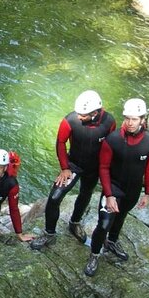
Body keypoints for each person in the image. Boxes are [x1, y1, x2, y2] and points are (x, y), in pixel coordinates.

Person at [31, 90, 116, 250]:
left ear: (95, 113)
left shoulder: (109, 122)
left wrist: (108, 168)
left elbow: (111, 145)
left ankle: (74, 223)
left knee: (86, 194)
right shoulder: (70, 121)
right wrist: (64, 168)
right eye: (78, 113)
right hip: (74, 165)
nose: (79, 117)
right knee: (55, 197)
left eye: (83, 115)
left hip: (95, 167)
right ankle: (49, 234)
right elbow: (61, 142)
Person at [84, 98, 149, 277]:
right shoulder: (113, 139)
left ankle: (112, 241)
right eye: (127, 118)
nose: (130, 123)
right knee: (103, 224)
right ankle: (95, 254)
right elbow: (103, 168)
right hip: (114, 187)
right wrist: (109, 195)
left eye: (134, 119)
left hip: (132, 190)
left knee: (121, 217)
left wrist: (147, 193)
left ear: (142, 119)